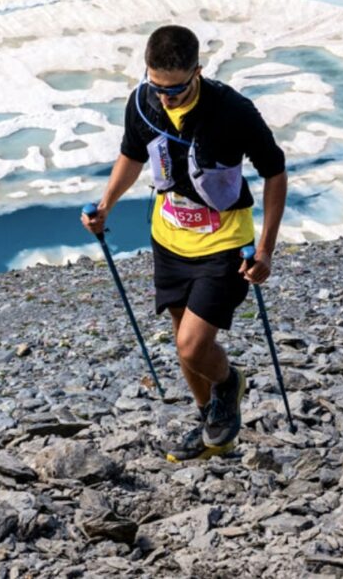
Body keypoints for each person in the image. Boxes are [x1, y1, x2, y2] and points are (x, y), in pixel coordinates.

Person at [82, 25, 287, 460]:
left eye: (175, 90)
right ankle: (212, 424)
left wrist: (266, 249)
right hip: (169, 238)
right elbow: (132, 154)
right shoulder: (142, 103)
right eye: (158, 88)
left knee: (192, 345)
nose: (166, 99)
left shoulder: (232, 110)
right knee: (184, 344)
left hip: (224, 242)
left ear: (198, 71)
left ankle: (228, 384)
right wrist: (106, 205)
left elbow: (274, 171)